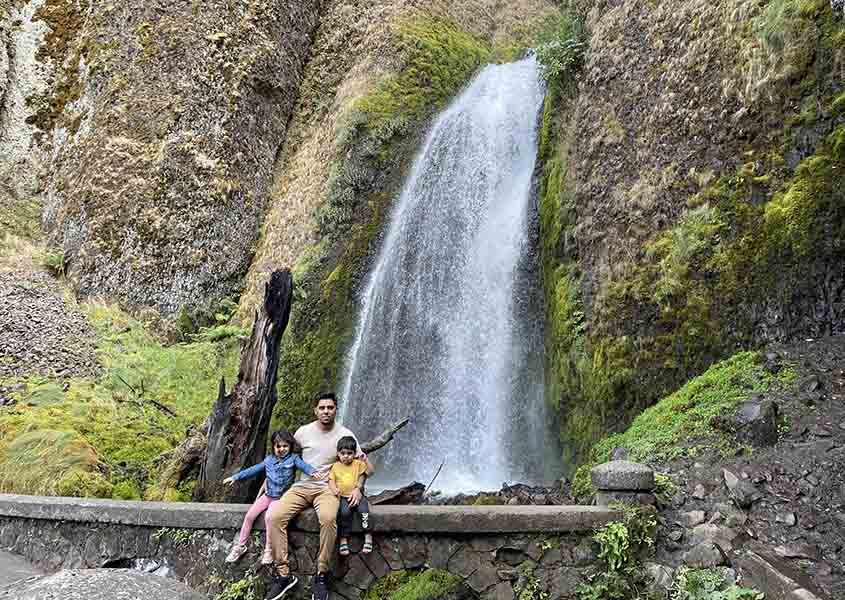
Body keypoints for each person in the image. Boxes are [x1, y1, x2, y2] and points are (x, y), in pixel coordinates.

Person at [264, 392, 371, 600]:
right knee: (274, 516)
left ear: (335, 410)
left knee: (329, 518)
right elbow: (281, 458)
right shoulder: (303, 432)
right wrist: (267, 484)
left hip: (328, 489)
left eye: (330, 408)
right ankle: (284, 575)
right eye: (322, 408)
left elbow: (361, 466)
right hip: (302, 486)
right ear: (315, 410)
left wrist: (359, 488)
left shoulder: (345, 434)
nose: (326, 411)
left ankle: (321, 575)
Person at [222, 429, 316, 567]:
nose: (281, 449)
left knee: (269, 518)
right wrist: (236, 477)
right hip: (268, 495)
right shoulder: (269, 460)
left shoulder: (293, 459)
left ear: (290, 446)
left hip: (280, 498)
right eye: (278, 446)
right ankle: (240, 546)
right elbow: (253, 470)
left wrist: (313, 471)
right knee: (249, 516)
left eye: (285, 446)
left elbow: (304, 466)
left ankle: (269, 550)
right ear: (273, 446)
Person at [329, 435, 375, 556]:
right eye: (343, 453)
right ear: (338, 453)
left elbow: (370, 472)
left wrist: (365, 459)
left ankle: (368, 534)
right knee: (344, 513)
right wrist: (334, 490)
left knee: (364, 511)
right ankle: (343, 538)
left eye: (349, 453)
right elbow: (331, 480)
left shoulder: (358, 464)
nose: (346, 456)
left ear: (354, 453)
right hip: (344, 497)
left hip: (359, 496)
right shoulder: (335, 466)